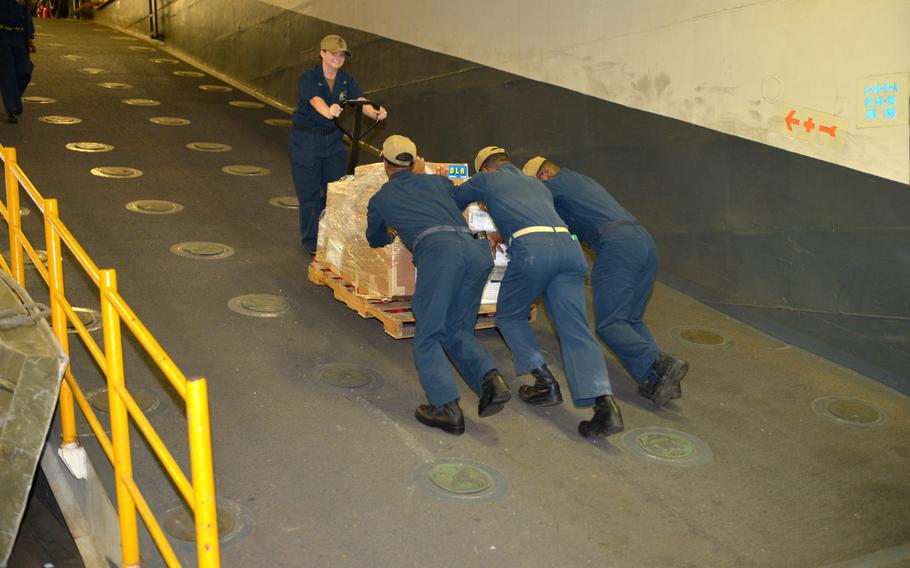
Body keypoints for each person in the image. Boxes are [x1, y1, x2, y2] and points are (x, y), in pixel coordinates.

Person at [451, 146, 622, 438]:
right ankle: (604, 405)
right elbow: (534, 219)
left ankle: (545, 382)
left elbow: (452, 202)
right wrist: (500, 232)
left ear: (484, 169)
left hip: (534, 253)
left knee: (509, 316)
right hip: (570, 252)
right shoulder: (534, 184)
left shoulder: (486, 181)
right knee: (575, 330)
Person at [366, 135, 510, 435]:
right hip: (476, 251)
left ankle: (446, 407)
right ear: (414, 161)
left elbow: (375, 239)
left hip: (441, 255)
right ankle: (490, 381)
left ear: (385, 163)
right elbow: (453, 197)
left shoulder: (380, 199)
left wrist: (397, 229)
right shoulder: (437, 183)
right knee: (457, 329)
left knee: (429, 333)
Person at [522, 156, 688, 407]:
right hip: (642, 240)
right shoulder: (581, 181)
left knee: (610, 325)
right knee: (630, 320)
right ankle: (657, 379)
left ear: (544, 175)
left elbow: (530, 211)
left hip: (616, 246)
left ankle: (660, 362)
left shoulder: (553, 187)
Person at [289, 34, 387, 254]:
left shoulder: (345, 79)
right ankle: (311, 241)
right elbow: (316, 100)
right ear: (322, 53)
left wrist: (375, 112)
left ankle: (329, 234)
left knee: (336, 190)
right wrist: (329, 112)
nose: (338, 58)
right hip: (306, 141)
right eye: (333, 53)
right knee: (310, 194)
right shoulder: (308, 77)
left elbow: (359, 100)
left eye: (342, 54)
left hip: (332, 140)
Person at [0, 0, 35, 124]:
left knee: (25, 72)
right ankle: (12, 108)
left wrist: (30, 38)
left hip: (20, 37)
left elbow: (27, 15)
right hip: (3, 36)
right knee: (8, 72)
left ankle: (12, 97)